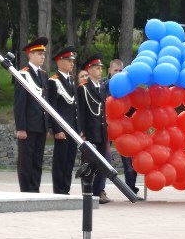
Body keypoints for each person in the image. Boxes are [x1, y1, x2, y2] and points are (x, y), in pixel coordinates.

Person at [13, 37, 50, 192]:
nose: (42, 57)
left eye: (43, 54)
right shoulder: (23, 74)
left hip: (40, 125)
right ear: (30, 54)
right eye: (39, 54)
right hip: (28, 125)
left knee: (37, 160)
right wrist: (21, 127)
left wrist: (46, 125)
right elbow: (20, 104)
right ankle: (25, 190)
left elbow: (45, 101)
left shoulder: (43, 74)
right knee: (25, 160)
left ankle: (35, 189)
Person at [77, 54, 111, 203]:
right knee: (89, 164)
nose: (100, 71)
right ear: (89, 70)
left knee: (101, 164)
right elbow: (81, 112)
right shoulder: (83, 88)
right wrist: (82, 132)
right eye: (97, 68)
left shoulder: (101, 87)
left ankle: (97, 193)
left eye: (101, 68)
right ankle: (87, 193)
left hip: (101, 132)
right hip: (90, 132)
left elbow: (102, 111)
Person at [106, 58, 141, 198]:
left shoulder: (129, 87)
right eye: (116, 70)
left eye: (121, 70)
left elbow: (135, 107)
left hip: (126, 127)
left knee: (130, 162)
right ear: (110, 71)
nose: (118, 73)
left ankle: (131, 191)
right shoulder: (103, 86)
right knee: (103, 160)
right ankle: (99, 191)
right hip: (107, 127)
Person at [47, 46, 80, 194]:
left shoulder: (71, 81)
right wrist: (57, 129)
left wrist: (78, 129)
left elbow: (75, 107)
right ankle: (59, 189)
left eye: (72, 61)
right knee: (60, 160)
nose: (72, 63)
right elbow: (52, 107)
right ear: (59, 62)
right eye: (69, 61)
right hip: (62, 128)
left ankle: (66, 188)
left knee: (69, 160)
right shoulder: (54, 81)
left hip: (72, 128)